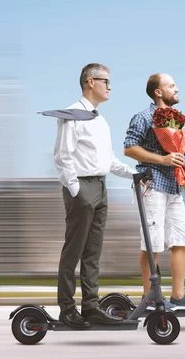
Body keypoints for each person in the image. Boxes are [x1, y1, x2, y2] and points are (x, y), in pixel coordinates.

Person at [54, 63, 135, 328]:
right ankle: (67, 309)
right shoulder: (72, 114)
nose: (109, 86)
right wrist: (76, 190)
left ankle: (90, 306)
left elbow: (109, 160)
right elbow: (63, 156)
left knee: (92, 252)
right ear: (90, 82)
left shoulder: (100, 121)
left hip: (101, 187)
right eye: (106, 81)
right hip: (82, 188)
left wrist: (134, 173)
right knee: (73, 251)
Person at [124, 73, 185, 310]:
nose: (177, 89)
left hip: (174, 187)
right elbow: (129, 148)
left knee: (183, 238)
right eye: (172, 85)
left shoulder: (176, 121)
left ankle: (178, 296)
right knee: (152, 243)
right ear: (158, 92)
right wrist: (162, 160)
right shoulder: (143, 117)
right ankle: (150, 298)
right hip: (152, 184)